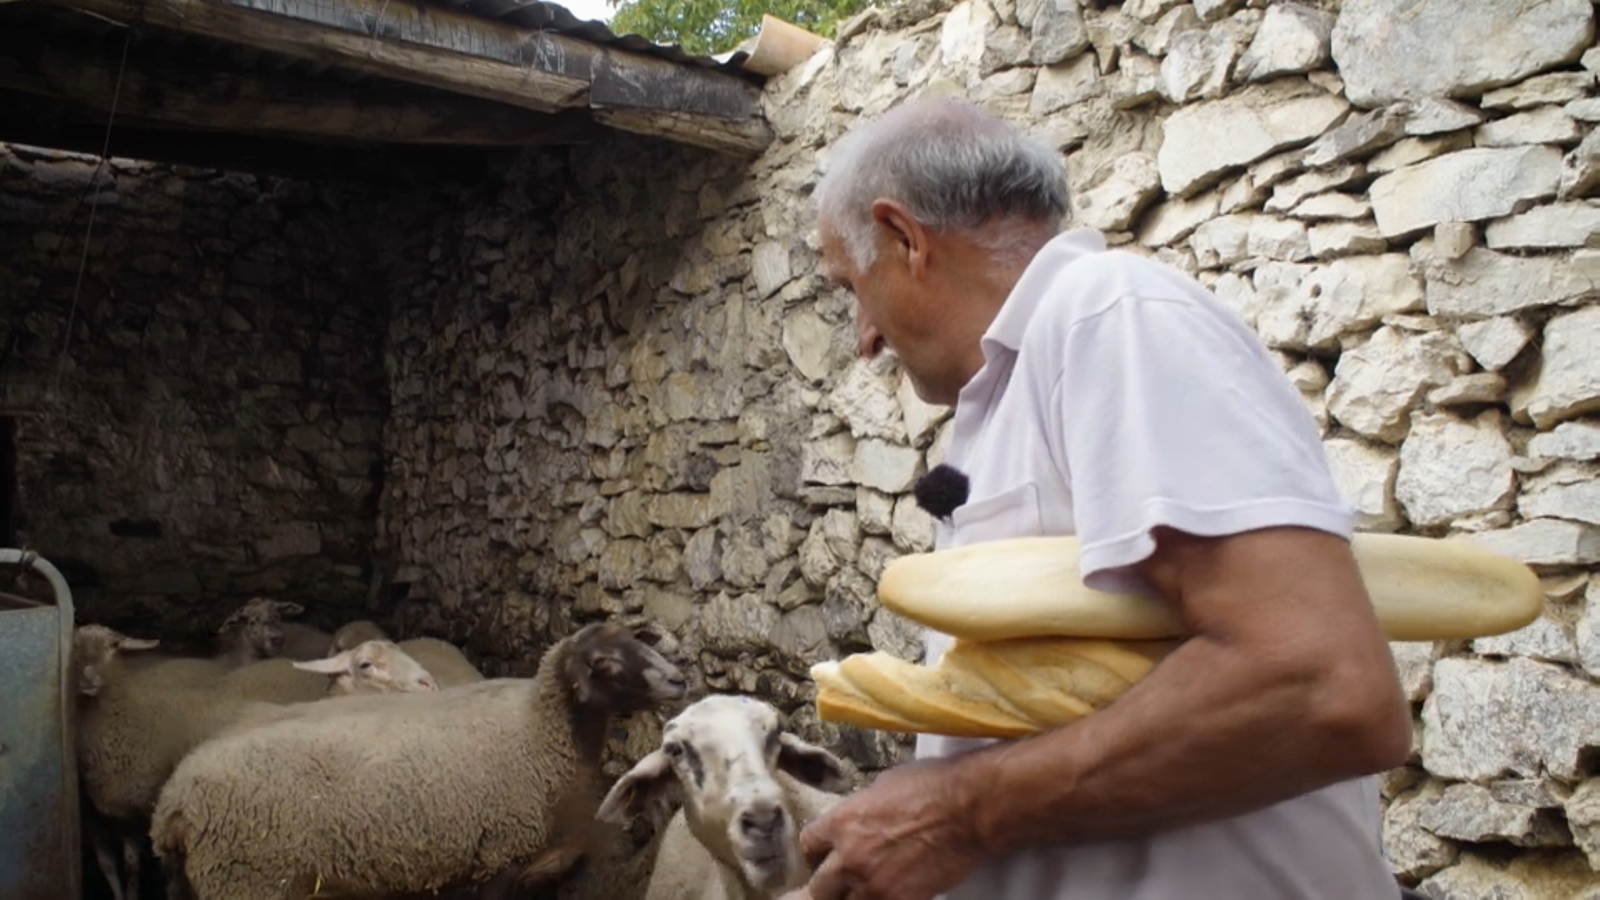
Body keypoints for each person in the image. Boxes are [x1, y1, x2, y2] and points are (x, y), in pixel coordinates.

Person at [788, 97, 1414, 900]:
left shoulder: (1109, 313)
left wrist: (955, 816)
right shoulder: (1012, 390)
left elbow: (1321, 688)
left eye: (852, 287)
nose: (864, 337)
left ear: (906, 238)